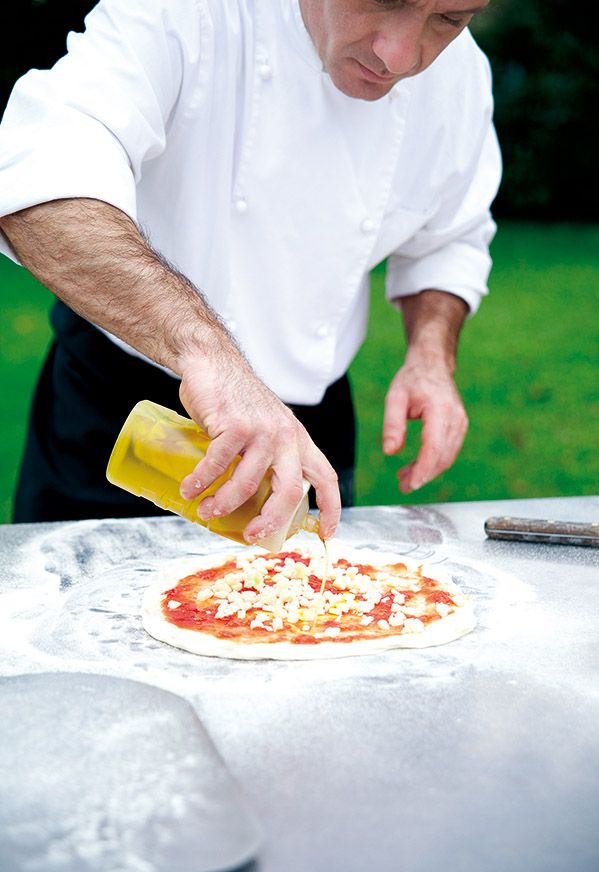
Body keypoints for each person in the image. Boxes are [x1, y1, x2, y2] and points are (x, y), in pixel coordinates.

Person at [0, 0, 501, 544]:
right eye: (382, 0)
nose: (400, 56)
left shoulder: (462, 76)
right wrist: (207, 353)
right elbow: (40, 175)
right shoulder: (186, 13)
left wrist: (430, 354)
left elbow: (451, 236)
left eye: (448, 19)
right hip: (123, 417)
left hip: (307, 432)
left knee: (305, 619)